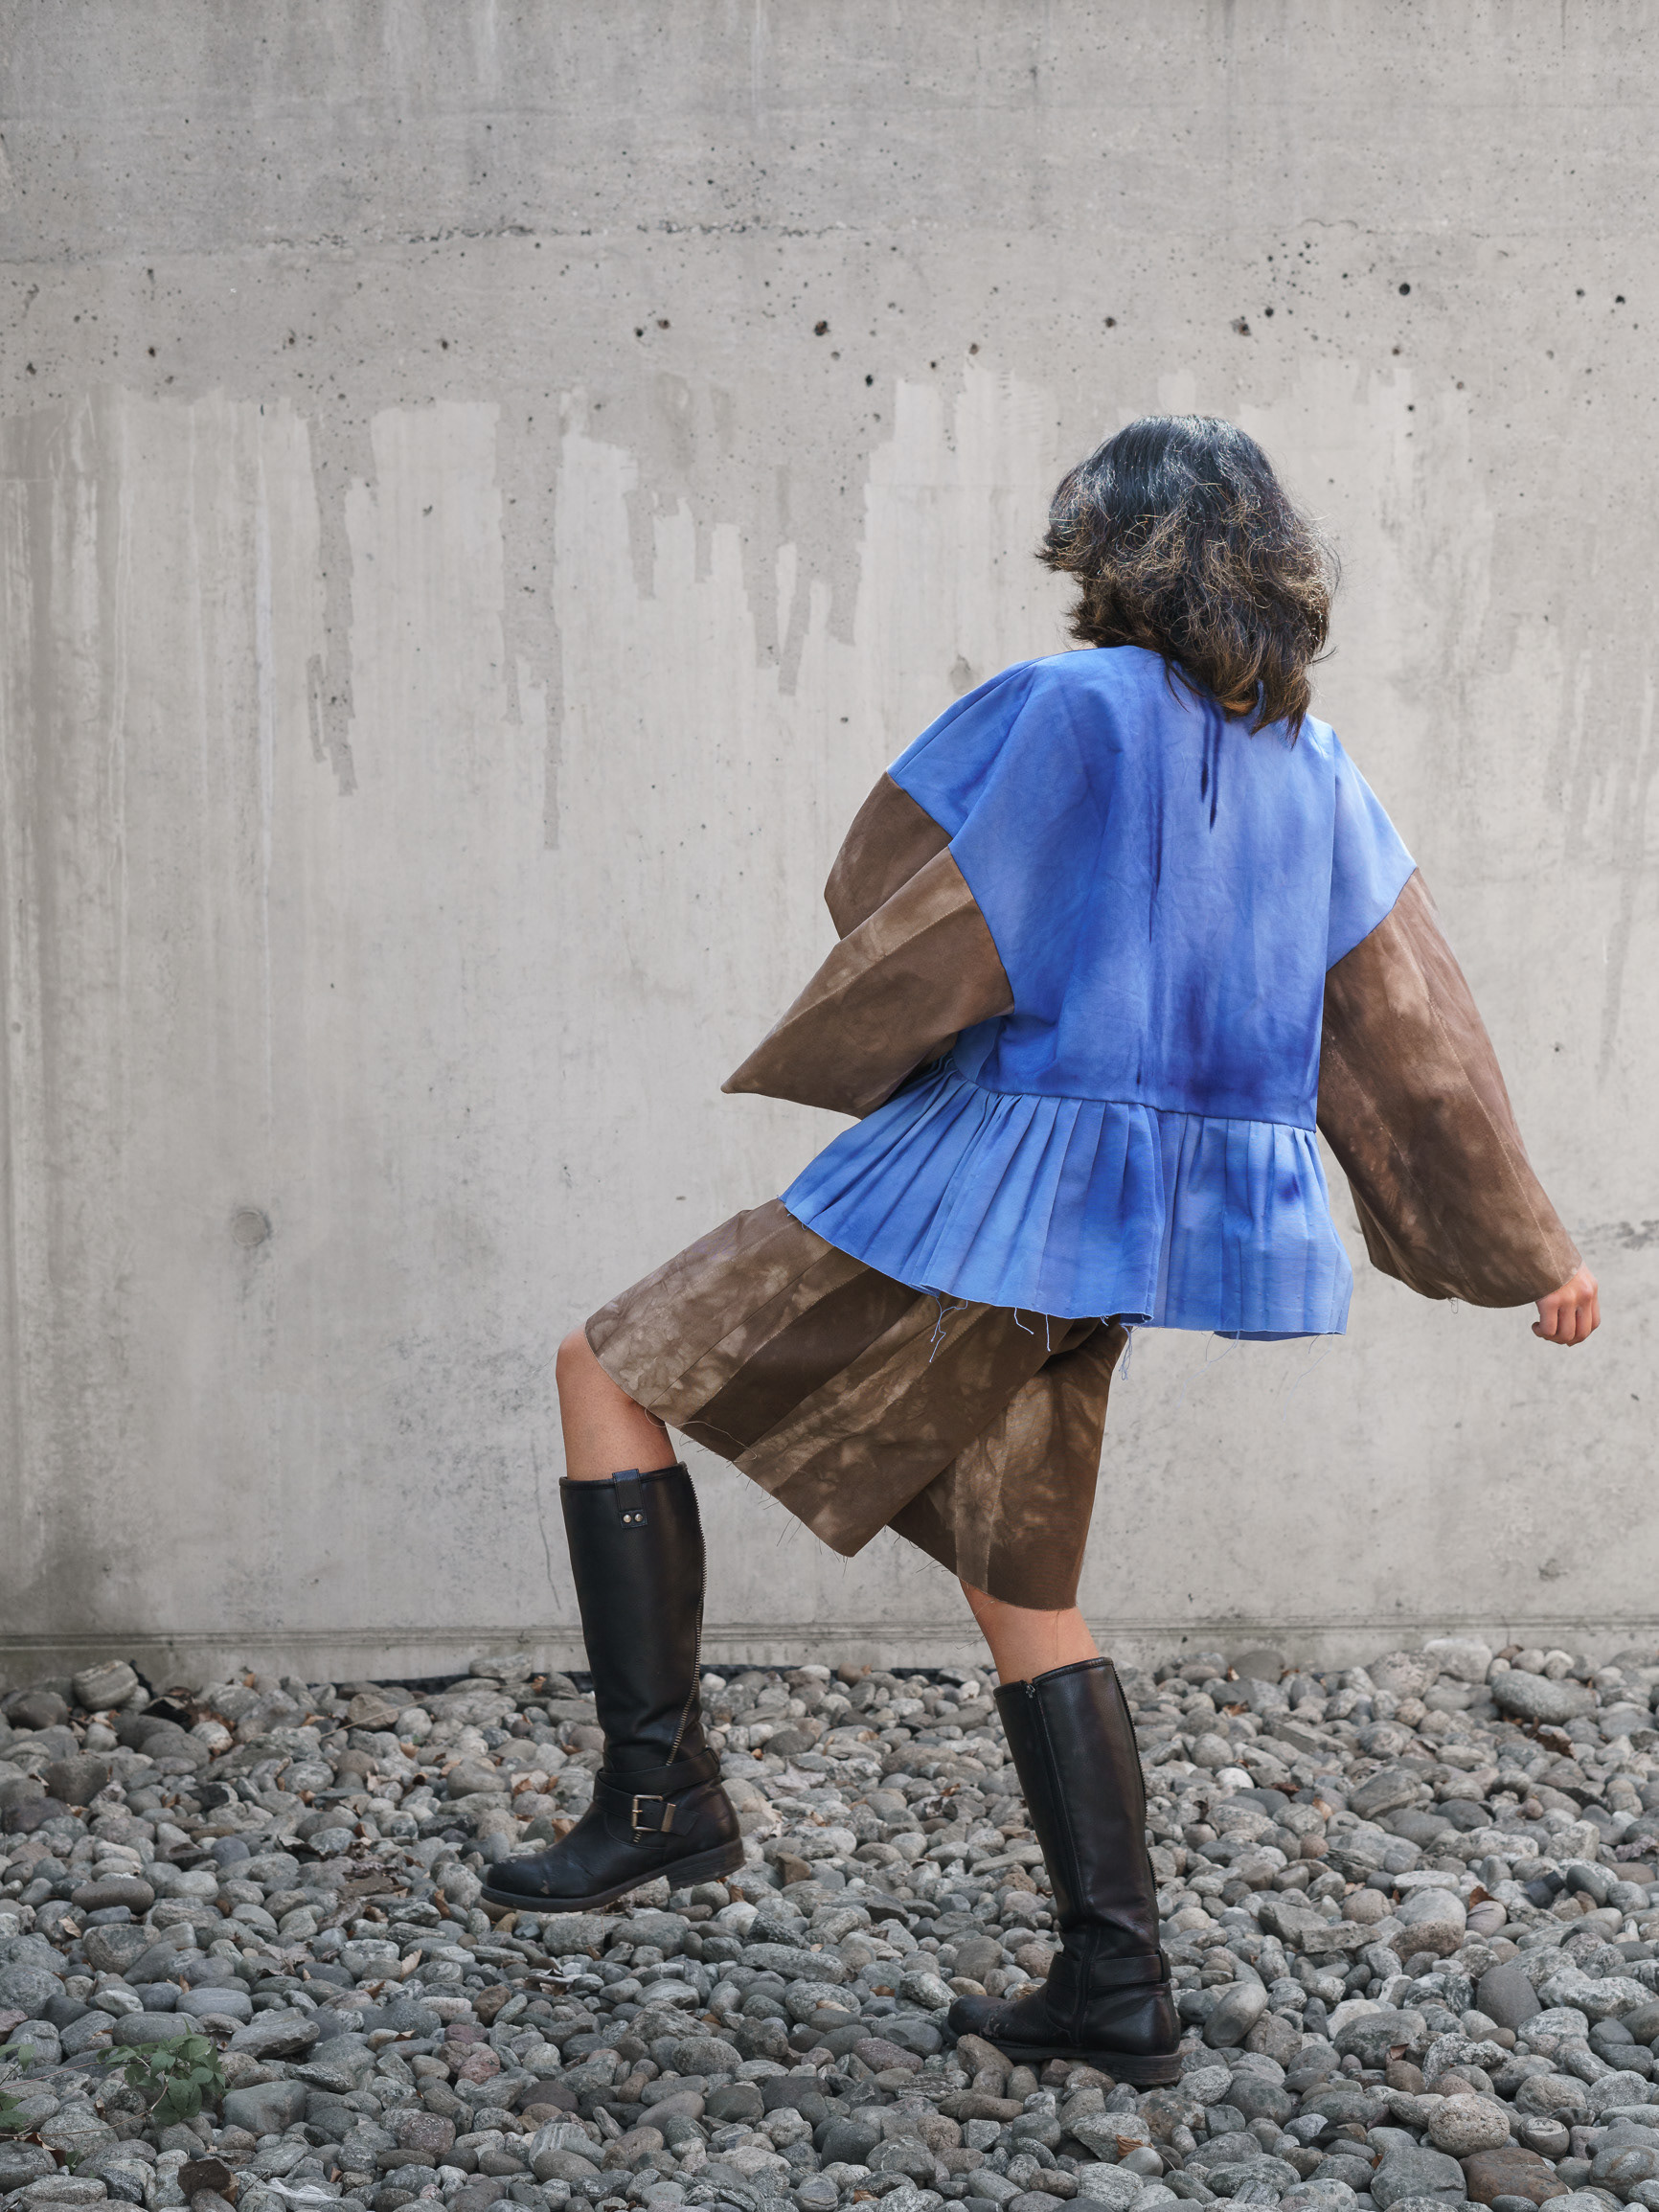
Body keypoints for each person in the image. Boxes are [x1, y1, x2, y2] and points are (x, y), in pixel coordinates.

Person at [484, 416, 1599, 2080]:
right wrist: (1530, 1250)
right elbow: (1416, 1033)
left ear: (1116, 559)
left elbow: (881, 876)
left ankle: (660, 1795)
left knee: (609, 1365)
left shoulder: (1062, 708)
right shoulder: (1325, 769)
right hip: (1141, 1241)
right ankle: (1116, 1983)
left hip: (986, 1190)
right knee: (1023, 1578)